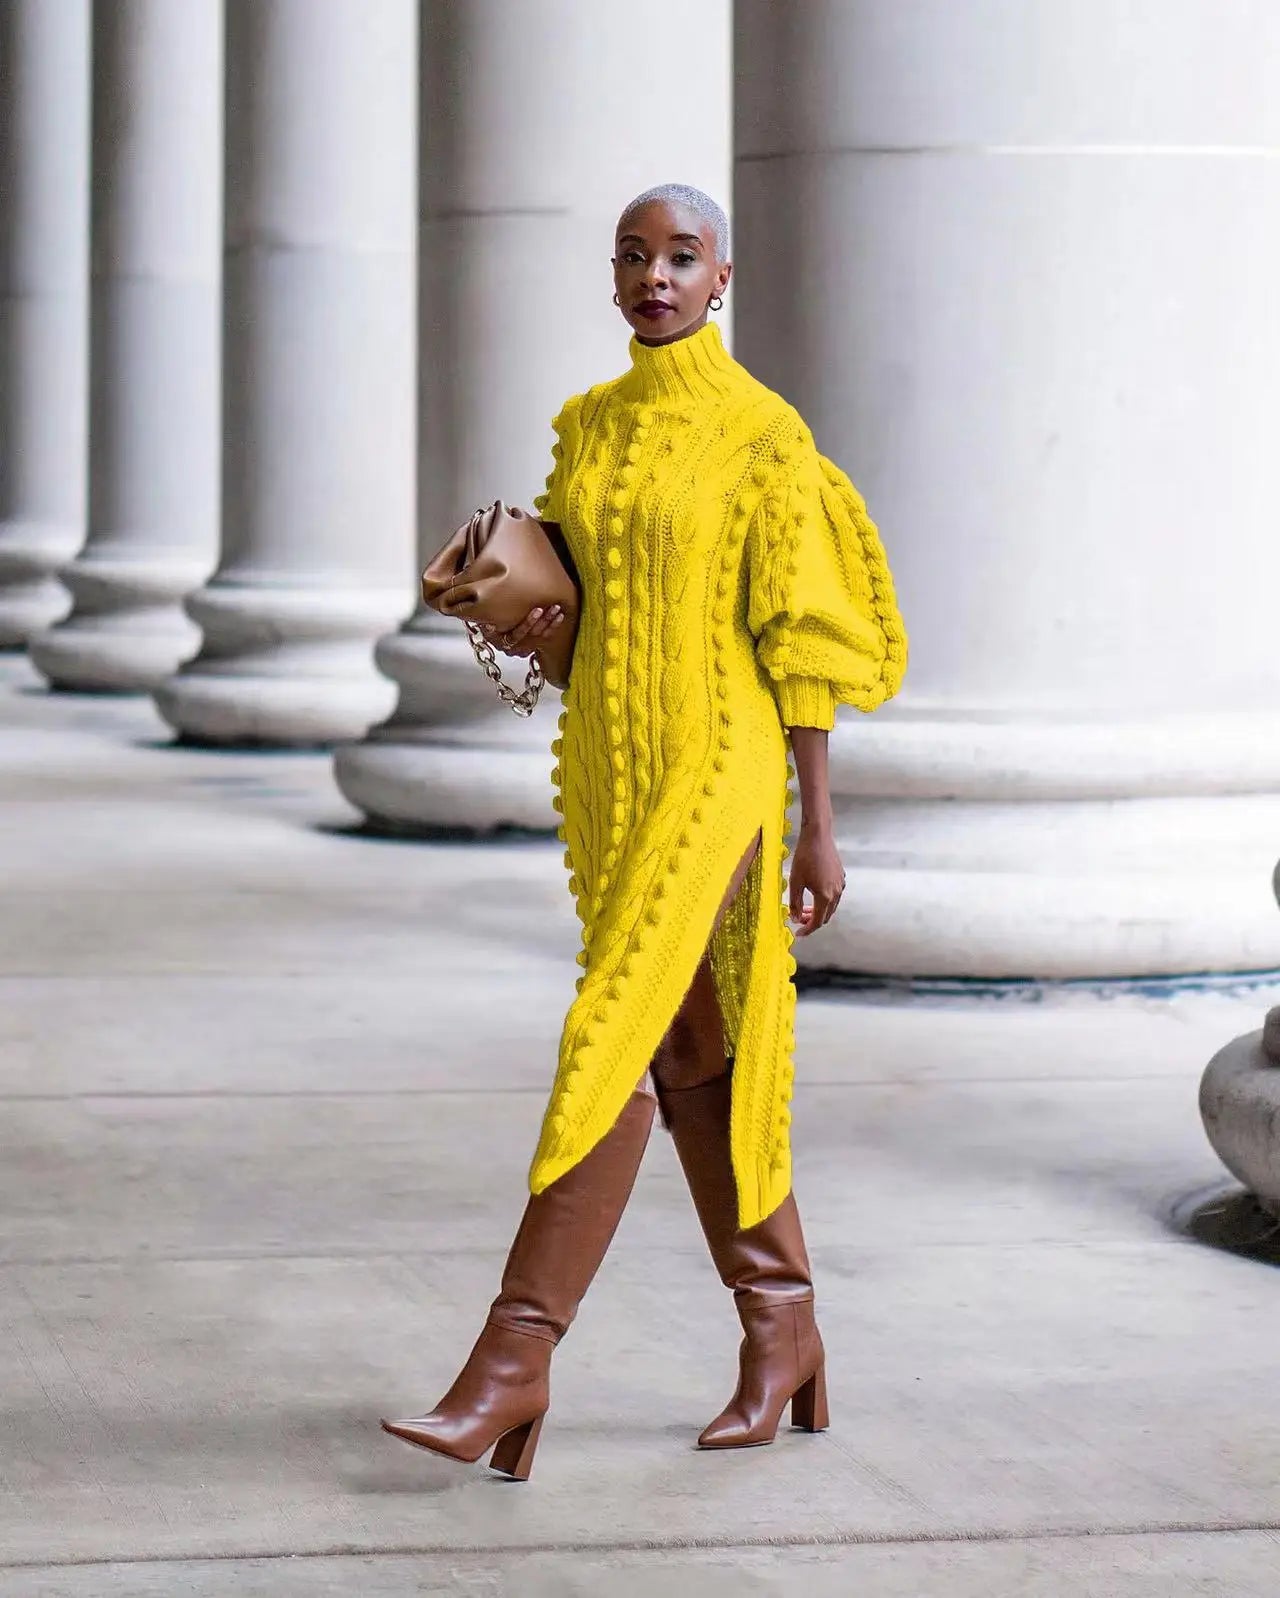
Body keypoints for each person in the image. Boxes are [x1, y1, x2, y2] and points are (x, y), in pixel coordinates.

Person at [382, 183, 907, 1479]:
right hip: (616, 777)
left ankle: (510, 1364)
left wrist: (816, 825)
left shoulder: (763, 439)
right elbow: (593, 632)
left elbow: (800, 639)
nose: (656, 276)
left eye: (682, 257)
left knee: (604, 1042)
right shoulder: (589, 431)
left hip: (721, 776)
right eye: (633, 256)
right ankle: (784, 1327)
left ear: (722, 276)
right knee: (688, 1055)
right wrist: (519, 601)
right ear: (613, 278)